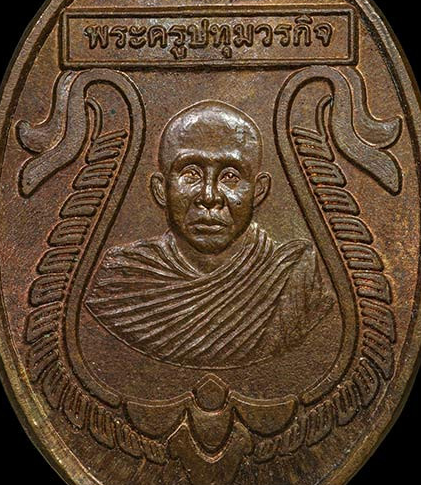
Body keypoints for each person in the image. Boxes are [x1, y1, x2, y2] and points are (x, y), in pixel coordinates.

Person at [85, 101, 334, 368]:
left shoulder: (293, 278)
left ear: (258, 190)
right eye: (191, 174)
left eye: (230, 176)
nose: (209, 196)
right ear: (161, 189)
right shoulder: (123, 280)